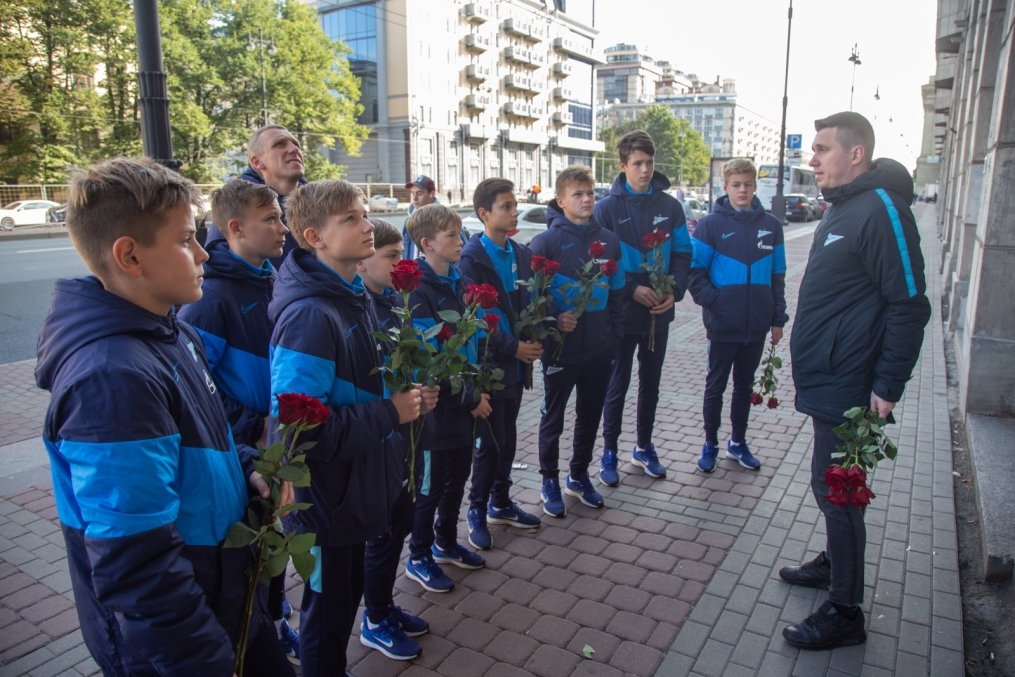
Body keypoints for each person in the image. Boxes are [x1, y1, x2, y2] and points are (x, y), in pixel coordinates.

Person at [35, 157, 294, 676]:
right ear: (129, 256)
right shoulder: (110, 379)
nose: (203, 252)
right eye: (185, 240)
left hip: (221, 593)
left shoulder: (172, 332)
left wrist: (247, 465)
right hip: (181, 636)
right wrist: (204, 661)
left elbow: (203, 440)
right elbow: (137, 563)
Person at [781, 112, 931, 649]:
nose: (813, 159)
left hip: (851, 383)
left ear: (856, 154)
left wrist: (887, 386)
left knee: (838, 492)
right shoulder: (845, 206)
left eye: (822, 149)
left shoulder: (881, 209)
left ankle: (845, 611)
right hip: (830, 375)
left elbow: (909, 304)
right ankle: (834, 563)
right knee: (831, 488)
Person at [268, 181, 421, 675]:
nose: (367, 225)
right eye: (351, 219)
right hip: (326, 503)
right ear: (315, 237)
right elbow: (298, 429)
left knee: (342, 602)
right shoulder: (311, 314)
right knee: (327, 618)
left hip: (350, 491)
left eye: (364, 214)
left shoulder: (352, 295)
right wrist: (390, 413)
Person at [176, 179, 301, 660]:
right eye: (270, 219)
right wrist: (255, 423)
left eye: (281, 217)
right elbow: (197, 388)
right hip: (247, 446)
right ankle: (261, 624)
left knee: (277, 537)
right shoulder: (210, 297)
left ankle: (276, 617)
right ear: (235, 228)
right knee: (255, 546)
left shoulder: (273, 276)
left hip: (276, 437)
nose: (282, 228)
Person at [355, 218, 437, 661]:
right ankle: (374, 619)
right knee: (383, 533)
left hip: (405, 432)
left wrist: (423, 390)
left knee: (400, 521)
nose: (399, 265)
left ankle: (384, 604)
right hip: (382, 435)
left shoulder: (391, 303)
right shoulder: (361, 308)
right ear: (363, 262)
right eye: (390, 257)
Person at [594, 129, 692, 486]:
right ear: (623, 165)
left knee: (651, 384)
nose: (645, 170)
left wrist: (674, 291)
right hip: (622, 314)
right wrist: (632, 289)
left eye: (649, 162)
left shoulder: (671, 206)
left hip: (657, 315)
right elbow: (602, 262)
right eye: (637, 163)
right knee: (616, 385)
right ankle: (609, 451)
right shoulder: (606, 208)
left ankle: (644, 447)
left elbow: (683, 253)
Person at [530, 165, 626, 518]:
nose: (586, 200)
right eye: (577, 194)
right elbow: (533, 299)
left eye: (590, 193)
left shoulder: (610, 241)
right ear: (561, 200)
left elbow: (618, 295)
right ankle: (549, 481)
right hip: (560, 352)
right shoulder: (546, 243)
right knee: (552, 419)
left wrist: (613, 339)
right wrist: (555, 318)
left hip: (599, 350)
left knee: (589, 416)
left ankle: (578, 476)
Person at [403, 203, 489, 593]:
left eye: (460, 233)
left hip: (463, 405)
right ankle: (418, 555)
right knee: (431, 486)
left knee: (458, 478)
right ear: (426, 243)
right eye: (451, 235)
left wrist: (479, 384)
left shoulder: (458, 281)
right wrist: (470, 398)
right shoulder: (418, 291)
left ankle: (445, 542)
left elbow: (474, 339)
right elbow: (430, 362)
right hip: (437, 411)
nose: (460, 241)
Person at [457, 179, 544, 550]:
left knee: (507, 440)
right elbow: (473, 321)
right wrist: (513, 348)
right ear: (484, 214)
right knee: (490, 443)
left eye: (514, 205)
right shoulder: (471, 260)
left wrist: (538, 335)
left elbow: (530, 304)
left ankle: (501, 502)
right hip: (490, 366)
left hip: (517, 364)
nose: (514, 213)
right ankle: (477, 509)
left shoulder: (521, 253)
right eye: (506, 207)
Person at [687, 158, 788, 473]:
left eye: (747, 184)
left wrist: (777, 318)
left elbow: (778, 277)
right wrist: (715, 302)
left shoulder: (771, 226)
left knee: (744, 387)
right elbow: (694, 272)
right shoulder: (710, 225)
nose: (742, 190)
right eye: (736, 185)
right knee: (715, 387)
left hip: (756, 325)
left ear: (755, 186)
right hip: (723, 324)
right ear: (725, 186)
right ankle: (710, 444)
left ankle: (738, 443)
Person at [204, 125, 308, 266]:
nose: (294, 149)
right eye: (279, 144)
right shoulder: (237, 203)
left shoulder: (320, 202)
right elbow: (217, 267)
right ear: (257, 162)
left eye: (296, 145)